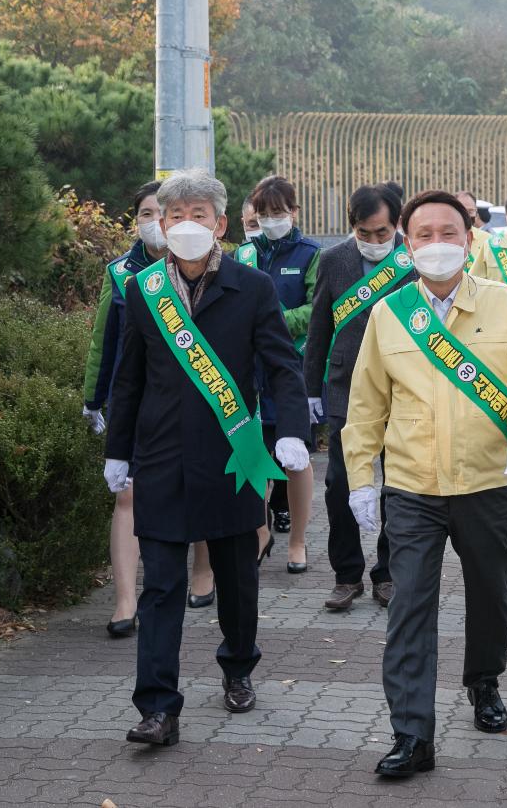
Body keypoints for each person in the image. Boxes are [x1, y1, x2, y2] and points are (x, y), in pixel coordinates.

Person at [343, 190, 507, 778]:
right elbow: (365, 407)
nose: (437, 244)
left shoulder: (506, 304)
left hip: (487, 481)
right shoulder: (389, 314)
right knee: (408, 605)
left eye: (448, 233)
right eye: (424, 235)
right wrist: (363, 479)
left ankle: (483, 680)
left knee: (491, 591)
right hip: (412, 488)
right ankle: (412, 735)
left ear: (469, 239)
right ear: (408, 245)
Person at [104, 169, 312, 746]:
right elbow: (129, 380)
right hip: (162, 456)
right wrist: (117, 450)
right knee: (162, 584)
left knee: (237, 578)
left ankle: (238, 667)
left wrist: (291, 431)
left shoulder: (252, 287)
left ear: (221, 224)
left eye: (200, 215)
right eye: (175, 216)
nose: (187, 225)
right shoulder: (144, 291)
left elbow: (281, 366)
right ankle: (157, 708)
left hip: (233, 454)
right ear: (160, 224)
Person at [82, 180, 216, 634]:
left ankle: (202, 571)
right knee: (128, 495)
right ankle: (124, 601)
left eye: (182, 213)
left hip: (204, 400)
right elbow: (104, 341)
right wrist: (92, 398)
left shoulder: (219, 269)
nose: (161, 221)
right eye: (147, 213)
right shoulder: (123, 274)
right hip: (139, 401)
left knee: (200, 486)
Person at [303, 184, 416, 612]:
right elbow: (319, 331)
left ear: (397, 225)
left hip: (403, 388)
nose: (372, 241)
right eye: (362, 232)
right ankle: (346, 574)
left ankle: (387, 573)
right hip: (345, 386)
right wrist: (310, 389)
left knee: (398, 484)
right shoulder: (333, 260)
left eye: (380, 232)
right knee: (339, 484)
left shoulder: (414, 259)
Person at [241, 175, 320, 574]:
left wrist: (271, 321)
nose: (272, 220)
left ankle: (298, 541)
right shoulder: (243, 254)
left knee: (295, 459)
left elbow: (317, 308)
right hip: (248, 373)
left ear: (294, 212)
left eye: (279, 213)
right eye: (264, 214)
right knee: (254, 457)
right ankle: (259, 532)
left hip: (291, 370)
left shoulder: (311, 254)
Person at [455, 190, 492, 268]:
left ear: (476, 213)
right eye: (461, 211)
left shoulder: (488, 240)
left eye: (470, 211)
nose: (466, 215)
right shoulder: (444, 238)